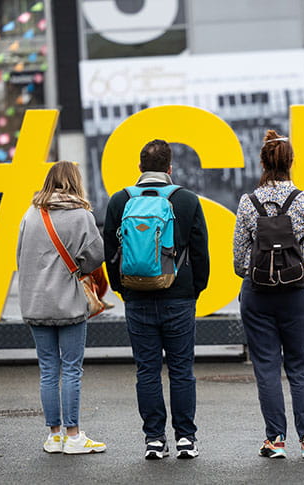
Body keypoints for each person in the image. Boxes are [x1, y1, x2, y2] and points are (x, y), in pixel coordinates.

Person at [103, 139, 210, 460]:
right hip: (179, 297)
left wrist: (122, 289)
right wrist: (195, 289)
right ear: (169, 168)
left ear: (139, 168)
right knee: (181, 370)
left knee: (147, 371)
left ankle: (154, 439)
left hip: (136, 296)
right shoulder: (187, 200)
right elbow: (201, 251)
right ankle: (186, 439)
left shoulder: (119, 201)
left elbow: (110, 253)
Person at [233, 129, 304, 459]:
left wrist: (259, 265)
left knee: (267, 369)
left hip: (257, 294)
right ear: (291, 162)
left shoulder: (248, 202)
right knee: (300, 369)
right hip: (297, 294)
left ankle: (276, 440)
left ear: (262, 162)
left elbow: (238, 261)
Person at [17, 161, 107, 455]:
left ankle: (54, 436)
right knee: (71, 369)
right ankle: (74, 435)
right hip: (69, 302)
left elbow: (20, 256)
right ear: (75, 182)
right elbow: (96, 257)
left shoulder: (31, 215)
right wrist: (76, 268)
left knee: (47, 369)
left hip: (36, 302)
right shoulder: (82, 216)